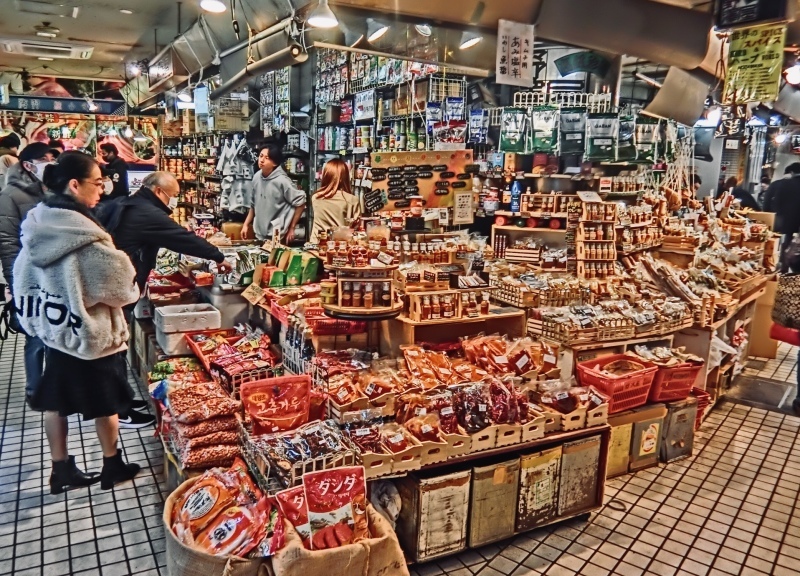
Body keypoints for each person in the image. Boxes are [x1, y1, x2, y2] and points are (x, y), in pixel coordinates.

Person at [12, 151, 142, 493]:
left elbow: (23, 277)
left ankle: (61, 470)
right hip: (89, 335)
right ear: (75, 184)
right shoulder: (86, 236)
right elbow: (121, 289)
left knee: (56, 401)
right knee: (107, 402)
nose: (102, 190)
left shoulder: (39, 223)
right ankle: (112, 464)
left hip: (56, 332)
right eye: (97, 182)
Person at [98, 171, 233, 294]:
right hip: (120, 284)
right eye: (174, 195)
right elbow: (184, 239)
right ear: (158, 191)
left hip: (110, 277)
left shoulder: (130, 202)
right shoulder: (148, 214)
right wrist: (218, 256)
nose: (175, 200)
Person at [0, 142, 55, 405]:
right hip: (28, 275)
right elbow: (7, 241)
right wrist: (15, 283)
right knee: (34, 335)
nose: (50, 163)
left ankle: (55, 385)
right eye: (44, 159)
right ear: (28, 165)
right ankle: (35, 390)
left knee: (54, 329)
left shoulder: (50, 188)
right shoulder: (11, 195)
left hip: (54, 271)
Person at [241, 142, 306, 243]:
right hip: (259, 235)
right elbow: (253, 205)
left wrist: (292, 228)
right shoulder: (257, 177)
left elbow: (301, 202)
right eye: (261, 156)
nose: (261, 160)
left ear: (275, 163)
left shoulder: (282, 181)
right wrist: (245, 224)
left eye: (267, 158)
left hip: (278, 236)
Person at [310, 159, 361, 244]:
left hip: (316, 245)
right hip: (341, 246)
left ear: (326, 176)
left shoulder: (316, 197)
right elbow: (357, 228)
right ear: (345, 177)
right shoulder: (352, 200)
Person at [763, 162, 800, 260]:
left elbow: (769, 202)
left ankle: (781, 263)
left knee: (780, 244)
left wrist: (769, 217)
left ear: (791, 172)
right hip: (796, 223)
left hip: (782, 221)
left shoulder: (780, 184)